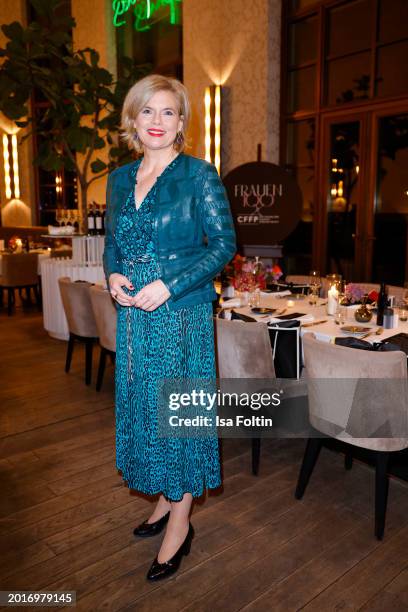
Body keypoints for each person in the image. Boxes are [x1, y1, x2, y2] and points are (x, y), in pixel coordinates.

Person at [103, 74, 236, 581]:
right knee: (145, 408)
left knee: (177, 419)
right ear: (133, 119)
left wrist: (171, 284)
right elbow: (115, 243)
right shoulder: (118, 179)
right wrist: (113, 273)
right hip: (135, 318)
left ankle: (180, 523)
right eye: (147, 111)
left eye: (168, 112)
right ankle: (164, 498)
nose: (157, 122)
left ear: (182, 121)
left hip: (180, 318)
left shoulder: (200, 176)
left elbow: (222, 246)